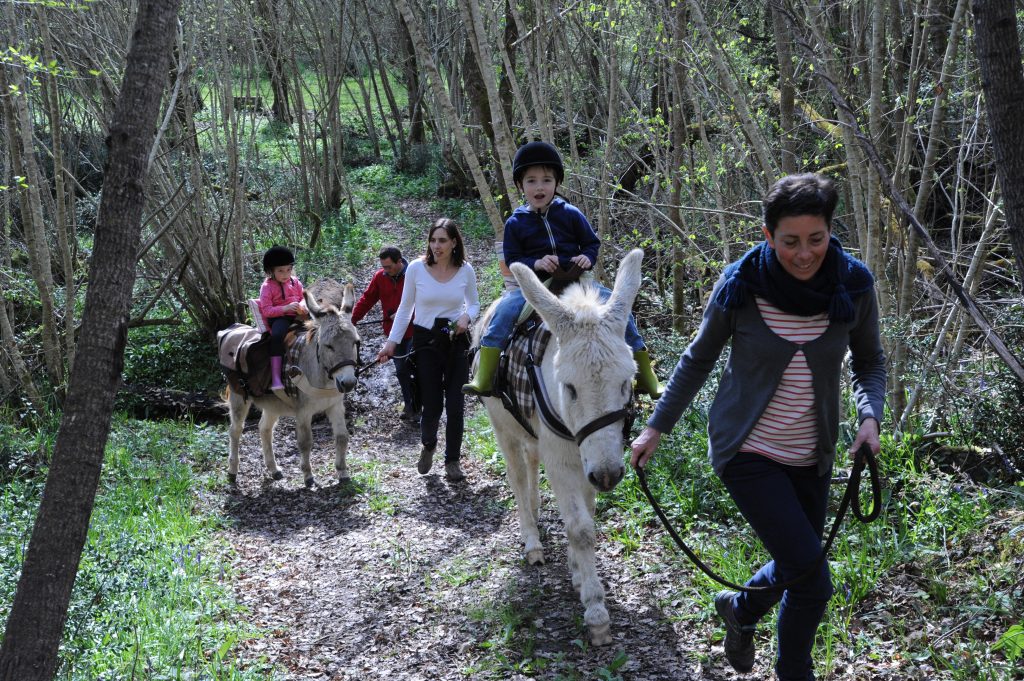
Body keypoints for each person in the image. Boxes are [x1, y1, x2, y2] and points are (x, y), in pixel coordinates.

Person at [629, 173, 886, 681]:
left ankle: (740, 611)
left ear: (831, 232)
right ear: (768, 236)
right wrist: (656, 427)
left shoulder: (853, 286)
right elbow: (697, 359)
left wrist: (869, 415)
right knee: (813, 581)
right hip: (747, 449)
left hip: (813, 455)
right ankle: (794, 672)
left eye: (816, 239)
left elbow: (870, 361)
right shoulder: (740, 284)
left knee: (799, 567)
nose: (805, 253)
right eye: (790, 241)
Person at [462, 140, 661, 398]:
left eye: (546, 180)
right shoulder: (516, 222)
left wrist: (586, 258)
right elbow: (512, 258)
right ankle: (485, 376)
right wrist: (536, 263)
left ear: (556, 183)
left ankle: (646, 376)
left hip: (578, 282)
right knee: (504, 312)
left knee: (621, 313)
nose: (539, 187)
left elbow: (591, 243)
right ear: (521, 186)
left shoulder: (570, 213)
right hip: (537, 286)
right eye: (531, 181)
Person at [378, 218, 480, 482]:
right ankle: (429, 444)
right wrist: (391, 342)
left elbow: (474, 304)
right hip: (425, 342)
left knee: (456, 404)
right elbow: (405, 308)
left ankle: (452, 461)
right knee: (432, 403)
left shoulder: (465, 270)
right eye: (433, 240)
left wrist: (466, 318)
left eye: (443, 240)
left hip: (456, 341)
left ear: (454, 242)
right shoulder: (416, 268)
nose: (437, 246)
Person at [352, 246, 418, 421]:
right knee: (401, 370)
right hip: (394, 334)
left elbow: (427, 300)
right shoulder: (380, 277)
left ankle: (421, 406)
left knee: (413, 367)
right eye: (383, 266)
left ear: (399, 262)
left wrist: (408, 314)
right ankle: (411, 406)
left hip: (415, 331)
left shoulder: (414, 274)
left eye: (388, 267)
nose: (385, 270)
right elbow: (367, 299)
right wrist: (351, 320)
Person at [258, 245, 308, 390]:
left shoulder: (295, 282)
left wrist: (303, 305)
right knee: (277, 336)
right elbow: (267, 310)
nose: (286, 274)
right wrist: (284, 308)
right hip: (280, 318)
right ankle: (275, 378)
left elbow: (302, 297)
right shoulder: (266, 287)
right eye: (280, 270)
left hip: (298, 315)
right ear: (270, 271)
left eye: (288, 269)